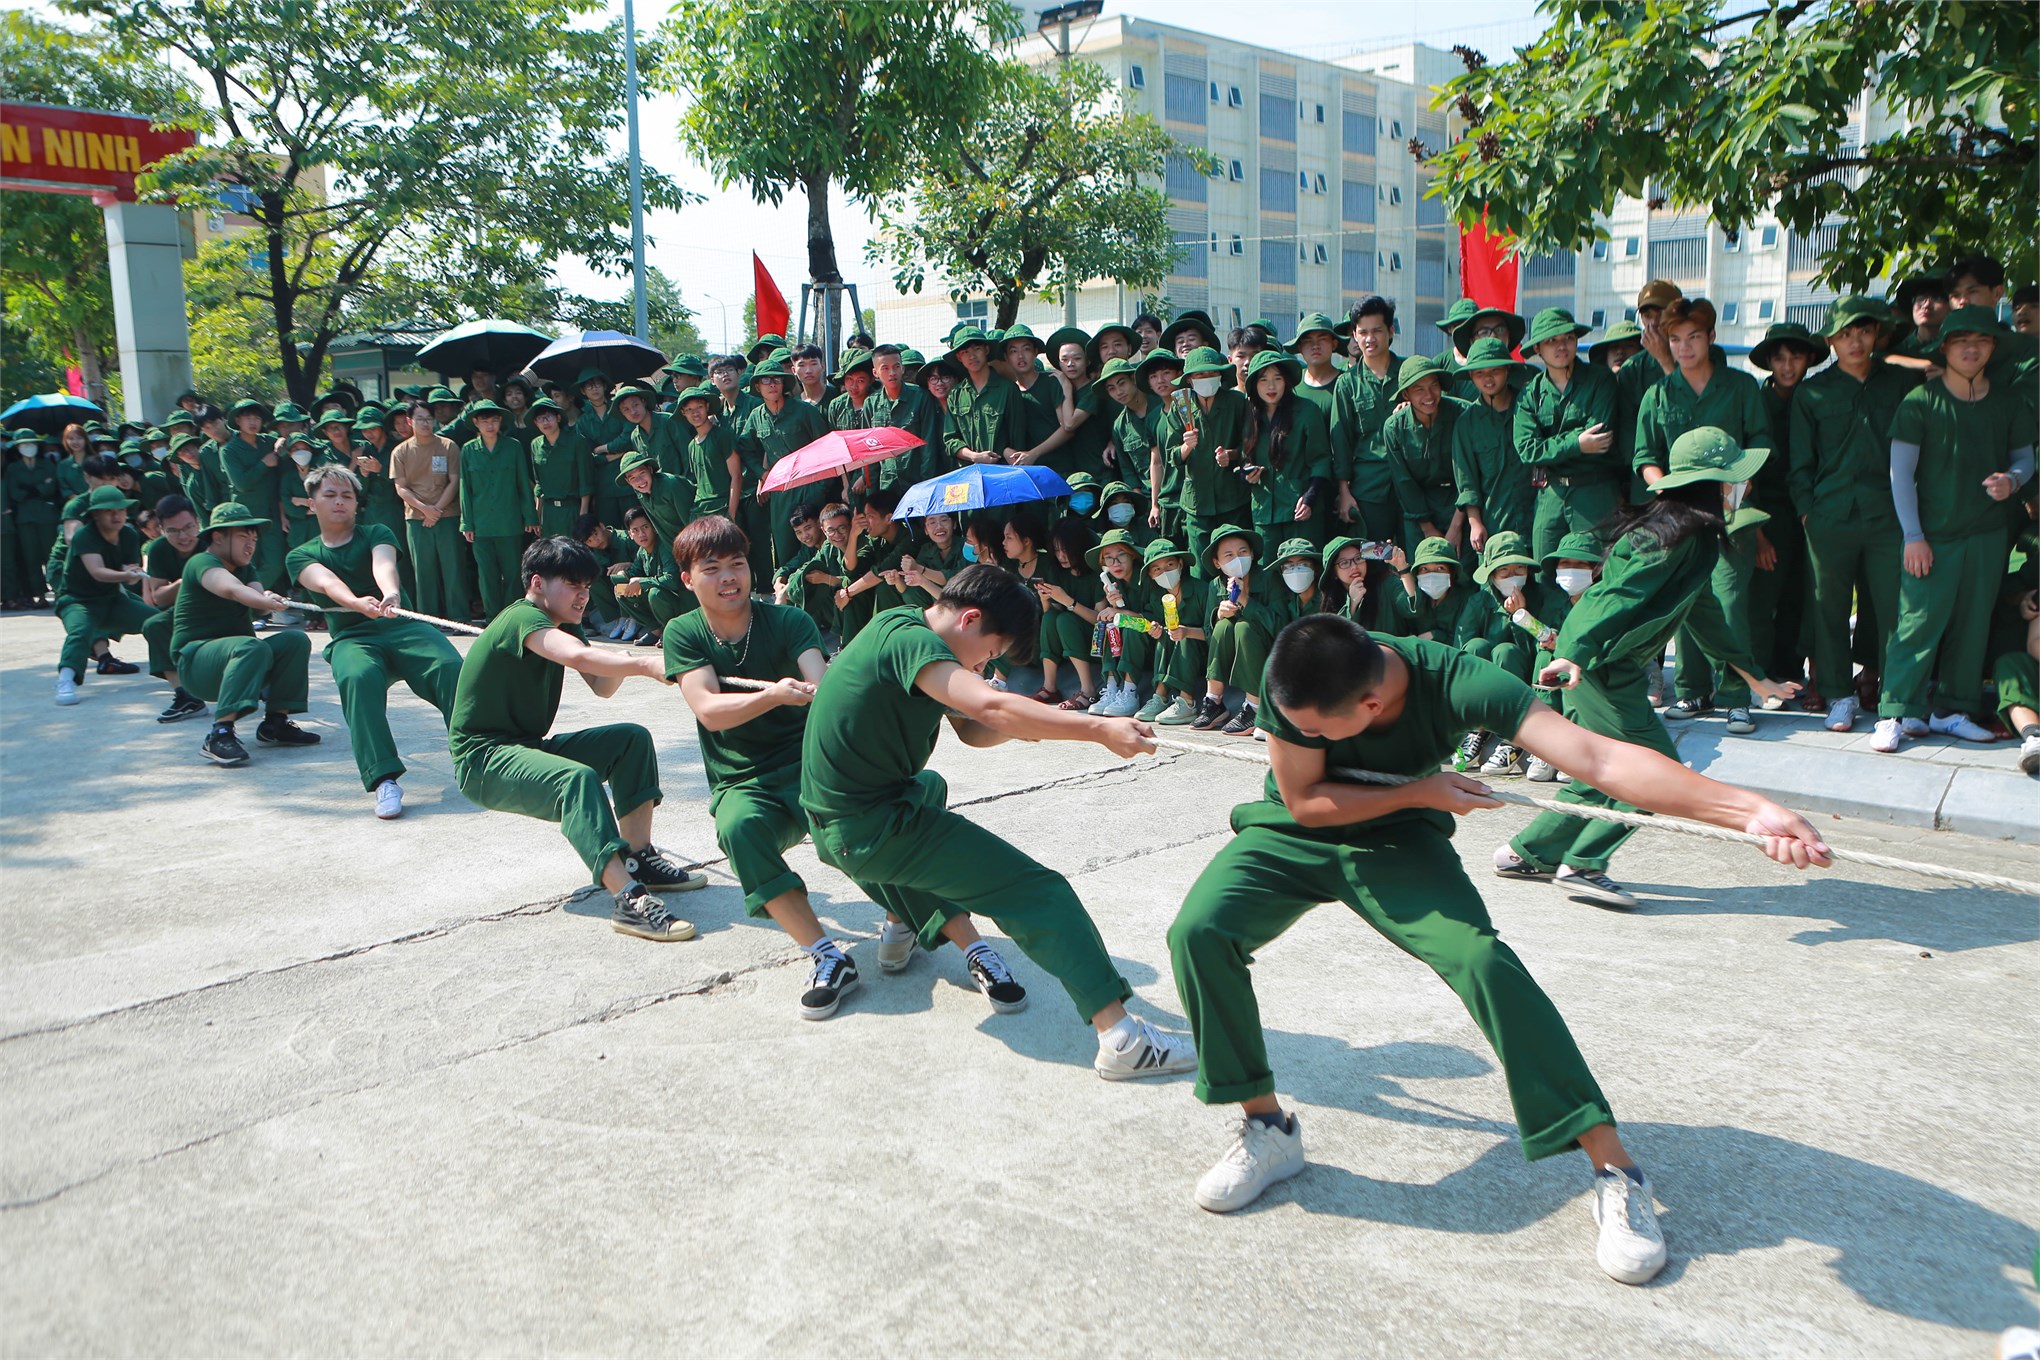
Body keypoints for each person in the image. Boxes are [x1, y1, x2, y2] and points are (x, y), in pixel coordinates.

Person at [1165, 611, 1831, 1284]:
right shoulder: (1300, 681)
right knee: (1199, 932)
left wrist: (1748, 810)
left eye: (1312, 728)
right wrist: (1424, 788)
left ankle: (1613, 1166)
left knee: (1483, 962)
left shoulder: (1459, 681)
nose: (1295, 731)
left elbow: (1598, 758)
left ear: (1369, 705)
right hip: (1294, 827)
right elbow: (1305, 800)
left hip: (1397, 838)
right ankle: (1268, 1130)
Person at [798, 562, 1197, 1074]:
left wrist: (1021, 719)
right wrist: (1096, 729)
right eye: (990, 652)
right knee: (1039, 892)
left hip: (841, 819)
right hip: (866, 830)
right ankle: (1122, 1038)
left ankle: (902, 918)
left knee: (930, 787)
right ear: (968, 620)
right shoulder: (918, 646)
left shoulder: (898, 624)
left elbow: (975, 728)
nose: (986, 663)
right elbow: (987, 707)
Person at [1500, 428, 1800, 907]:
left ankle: (1529, 852)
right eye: (1734, 482)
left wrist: (1751, 674)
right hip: (1595, 666)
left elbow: (1704, 615)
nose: (1740, 491)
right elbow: (1611, 596)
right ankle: (1583, 866)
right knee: (1654, 775)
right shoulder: (1665, 538)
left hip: (1606, 667)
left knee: (1601, 775)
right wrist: (1574, 651)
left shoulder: (1694, 538)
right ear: (1714, 486)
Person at [447, 536, 707, 940]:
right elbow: (577, 657)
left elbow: (602, 686)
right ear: (537, 583)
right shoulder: (523, 618)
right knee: (576, 779)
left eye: (587, 587)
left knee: (629, 740)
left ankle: (638, 859)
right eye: (573, 585)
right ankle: (628, 900)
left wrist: (654, 658)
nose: (583, 596)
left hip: (523, 747)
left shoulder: (562, 623)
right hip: (483, 761)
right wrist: (642, 663)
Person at [662, 515, 861, 1017]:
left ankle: (912, 916)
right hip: (742, 780)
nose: (729, 577)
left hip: (809, 766)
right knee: (738, 828)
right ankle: (825, 954)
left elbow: (820, 681)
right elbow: (708, 709)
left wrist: (828, 692)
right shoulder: (683, 633)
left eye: (738, 564)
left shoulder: (789, 621)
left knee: (860, 829)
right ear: (687, 580)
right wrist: (774, 696)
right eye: (712, 568)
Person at [1872, 305, 2036, 753]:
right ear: (1944, 348)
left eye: (1981, 341)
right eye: (1962, 341)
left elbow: (2024, 458)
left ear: (1992, 349)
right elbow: (1899, 475)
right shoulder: (1921, 402)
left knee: (1973, 622)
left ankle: (1952, 709)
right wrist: (1913, 536)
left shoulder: (2008, 402)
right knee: (1917, 623)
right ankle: (1894, 711)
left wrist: (2013, 480)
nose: (1971, 348)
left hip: (1986, 533)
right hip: (1932, 534)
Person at [288, 464, 462, 819]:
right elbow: (324, 582)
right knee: (358, 678)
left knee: (451, 667)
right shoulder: (301, 553)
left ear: (356, 503)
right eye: (330, 495)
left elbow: (384, 565)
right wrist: (353, 603)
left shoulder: (375, 532)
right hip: (353, 636)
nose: (340, 502)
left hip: (401, 626)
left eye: (347, 496)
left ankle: (476, 755)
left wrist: (391, 594)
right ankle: (384, 778)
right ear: (312, 503)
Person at [1788, 296, 1920, 732]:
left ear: (1877, 334)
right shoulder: (1813, 391)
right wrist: (1808, 513)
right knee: (1828, 607)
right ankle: (1839, 694)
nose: (1855, 341)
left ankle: (1892, 700)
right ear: (1831, 340)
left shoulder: (1898, 383)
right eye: (1845, 334)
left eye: (1863, 331)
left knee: (1891, 608)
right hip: (1829, 515)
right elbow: (1799, 463)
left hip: (1888, 514)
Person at [170, 501, 321, 766]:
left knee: (294, 640)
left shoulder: (245, 569)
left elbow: (255, 596)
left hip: (236, 659)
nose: (251, 544)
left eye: (253, 537)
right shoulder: (202, 562)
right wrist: (262, 600)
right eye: (242, 536)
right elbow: (231, 589)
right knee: (252, 646)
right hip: (197, 664)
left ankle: (275, 724)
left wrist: (267, 599)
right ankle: (219, 734)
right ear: (218, 537)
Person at [1745, 321, 1830, 705]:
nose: (1787, 365)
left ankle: (1794, 674)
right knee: (1764, 598)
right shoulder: (1757, 402)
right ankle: (1760, 678)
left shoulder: (1818, 398)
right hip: (1768, 511)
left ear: (1809, 359)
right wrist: (1758, 531)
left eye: (1795, 356)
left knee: (1805, 596)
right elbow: (1748, 473)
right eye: (1779, 358)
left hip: (1812, 511)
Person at [1516, 307, 1623, 559]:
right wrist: (1577, 443)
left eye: (1567, 338)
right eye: (1551, 340)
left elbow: (1600, 436)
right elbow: (1527, 450)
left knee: (1597, 571)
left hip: (1594, 493)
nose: (1561, 346)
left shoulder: (1601, 380)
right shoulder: (1529, 394)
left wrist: (1550, 447)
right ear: (1538, 349)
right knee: (1545, 571)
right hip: (1551, 494)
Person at [51, 483, 157, 707]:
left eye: (120, 510)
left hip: (112, 600)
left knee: (157, 621)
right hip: (77, 601)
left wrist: (134, 575)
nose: (117, 515)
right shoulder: (84, 536)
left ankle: (176, 668)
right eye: (109, 510)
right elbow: (98, 572)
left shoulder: (128, 534)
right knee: (80, 632)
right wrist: (126, 574)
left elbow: (129, 573)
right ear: (96, 514)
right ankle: (66, 680)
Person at [1193, 524, 1282, 736]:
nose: (1238, 558)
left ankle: (1255, 707)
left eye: (1243, 552)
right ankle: (1214, 702)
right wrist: (1218, 615)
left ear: (1252, 554)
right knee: (1223, 626)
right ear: (1217, 562)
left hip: (1269, 652)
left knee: (1243, 627)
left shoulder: (1269, 579)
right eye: (1229, 555)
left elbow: (1280, 625)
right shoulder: (1216, 585)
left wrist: (1246, 601)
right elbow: (1208, 630)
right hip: (1234, 654)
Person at [1240, 349, 1331, 551]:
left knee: (1304, 570)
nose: (1271, 386)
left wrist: (1310, 498)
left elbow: (1321, 460)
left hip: (1300, 510)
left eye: (1277, 378)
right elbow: (1242, 458)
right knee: (1268, 573)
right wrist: (1247, 474)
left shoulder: (1307, 411)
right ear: (1254, 384)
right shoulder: (1249, 415)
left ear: (1286, 381)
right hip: (1264, 511)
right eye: (1263, 380)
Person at [1382, 354, 1469, 559]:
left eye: (1434, 385)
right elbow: (1404, 482)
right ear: (1406, 395)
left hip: (1459, 503)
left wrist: (1456, 527)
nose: (1429, 395)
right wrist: (1427, 528)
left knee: (1462, 568)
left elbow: (1470, 474)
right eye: (1419, 389)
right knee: (1422, 567)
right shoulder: (1395, 427)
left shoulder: (1463, 414)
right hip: (1418, 508)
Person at [1451, 336, 1534, 551]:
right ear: (1471, 376)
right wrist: (1475, 522)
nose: (1488, 379)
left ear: (1507, 370)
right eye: (1480, 373)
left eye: (1495, 371)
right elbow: (1467, 482)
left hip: (1536, 517)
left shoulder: (1528, 407)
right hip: (1494, 521)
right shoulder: (1466, 424)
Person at [457, 399, 537, 618]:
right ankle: (492, 618)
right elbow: (465, 487)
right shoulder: (468, 450)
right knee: (487, 574)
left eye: (494, 420)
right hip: (481, 524)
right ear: (476, 422)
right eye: (484, 420)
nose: (490, 425)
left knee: (512, 573)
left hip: (509, 522)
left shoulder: (513, 446)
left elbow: (523, 483)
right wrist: (467, 522)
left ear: (500, 421)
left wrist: (530, 516)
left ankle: (511, 618)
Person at [391, 399, 464, 623]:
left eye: (429, 419)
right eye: (420, 419)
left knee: (453, 570)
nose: (425, 423)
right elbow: (400, 487)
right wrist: (424, 509)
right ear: (410, 421)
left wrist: (437, 509)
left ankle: (459, 618)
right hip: (416, 517)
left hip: (447, 515)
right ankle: (429, 619)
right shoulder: (401, 451)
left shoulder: (448, 446)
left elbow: (454, 481)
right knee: (424, 572)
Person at [140, 493, 207, 722]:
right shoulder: (158, 549)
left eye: (188, 528)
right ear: (161, 529)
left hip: (219, 606)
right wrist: (185, 580)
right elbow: (159, 597)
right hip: (183, 610)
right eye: (173, 531)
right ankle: (185, 695)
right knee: (154, 625)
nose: (183, 536)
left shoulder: (213, 542)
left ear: (197, 522)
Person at [1084, 528, 1151, 717]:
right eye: (1108, 558)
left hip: (1154, 641)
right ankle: (1111, 687)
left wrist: (1120, 611)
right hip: (1127, 645)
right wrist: (1113, 605)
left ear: (1132, 556)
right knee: (1107, 623)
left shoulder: (1146, 577)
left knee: (1130, 625)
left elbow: (1152, 620)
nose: (1116, 563)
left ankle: (1129, 691)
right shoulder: (1111, 582)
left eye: (1121, 556)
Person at [612, 506, 690, 639]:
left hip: (680, 602)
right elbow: (635, 571)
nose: (641, 534)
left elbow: (672, 581)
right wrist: (623, 576)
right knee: (620, 590)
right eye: (635, 530)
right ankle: (655, 629)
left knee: (655, 593)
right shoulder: (642, 551)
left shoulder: (664, 546)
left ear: (653, 527)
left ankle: (670, 631)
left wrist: (642, 582)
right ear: (630, 535)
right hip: (661, 600)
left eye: (645, 527)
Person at [527, 397, 593, 541]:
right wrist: (537, 516)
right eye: (540, 419)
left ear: (558, 417)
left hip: (572, 509)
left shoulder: (576, 441)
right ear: (535, 423)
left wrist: (583, 514)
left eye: (548, 417)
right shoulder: (535, 445)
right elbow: (539, 485)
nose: (545, 422)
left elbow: (585, 481)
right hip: (549, 512)